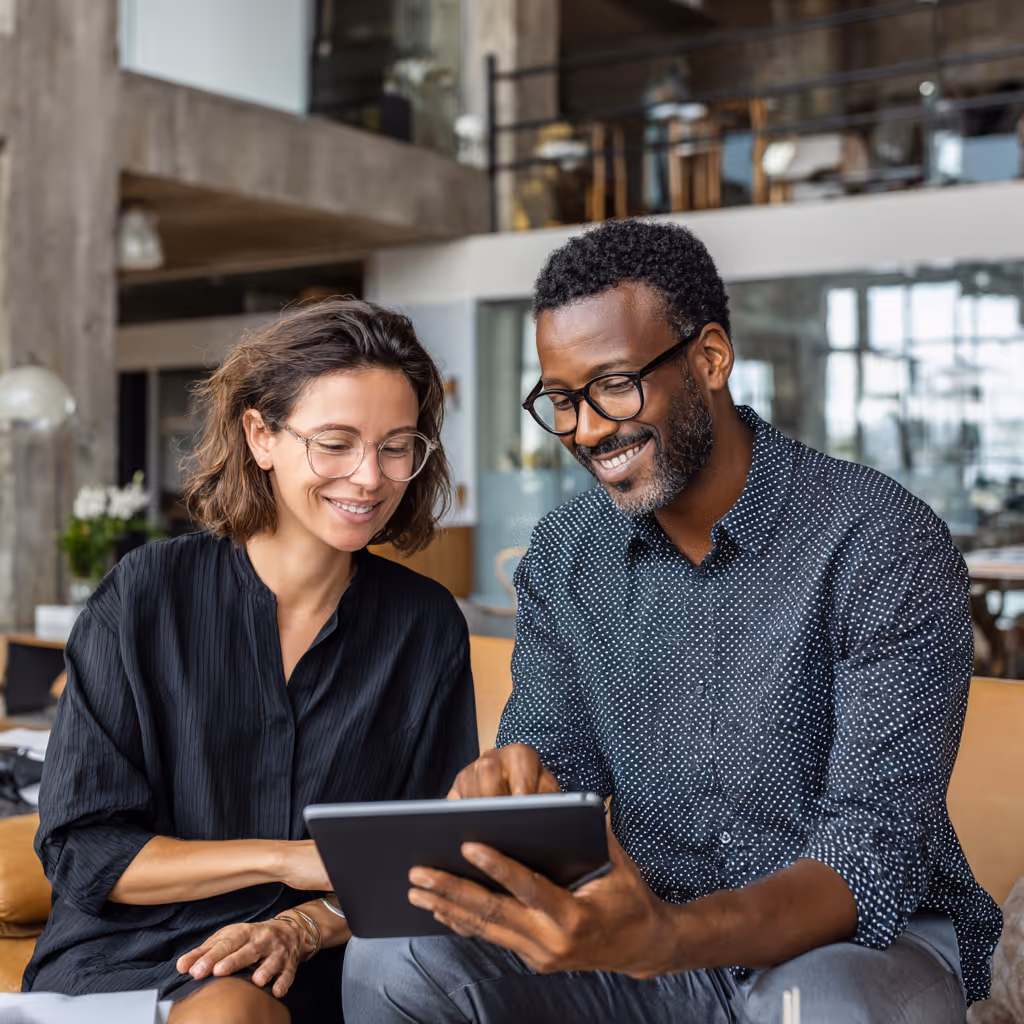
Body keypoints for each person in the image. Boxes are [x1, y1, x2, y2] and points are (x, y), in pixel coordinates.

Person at [342, 220, 1003, 1023]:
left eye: (614, 385)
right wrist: (516, 797)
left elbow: (871, 857)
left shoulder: (880, 540)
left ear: (710, 358)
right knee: (394, 960)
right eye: (561, 400)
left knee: (819, 1004)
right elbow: (556, 772)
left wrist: (671, 935)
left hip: (857, 947)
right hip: (643, 943)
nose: (585, 429)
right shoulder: (565, 557)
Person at [23, 299, 479, 1023]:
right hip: (127, 951)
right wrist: (287, 859)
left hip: (323, 951)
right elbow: (85, 850)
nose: (369, 478)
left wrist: (304, 923)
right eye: (335, 442)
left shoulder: (425, 627)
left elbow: (422, 862)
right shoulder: (145, 597)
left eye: (398, 446)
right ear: (260, 435)